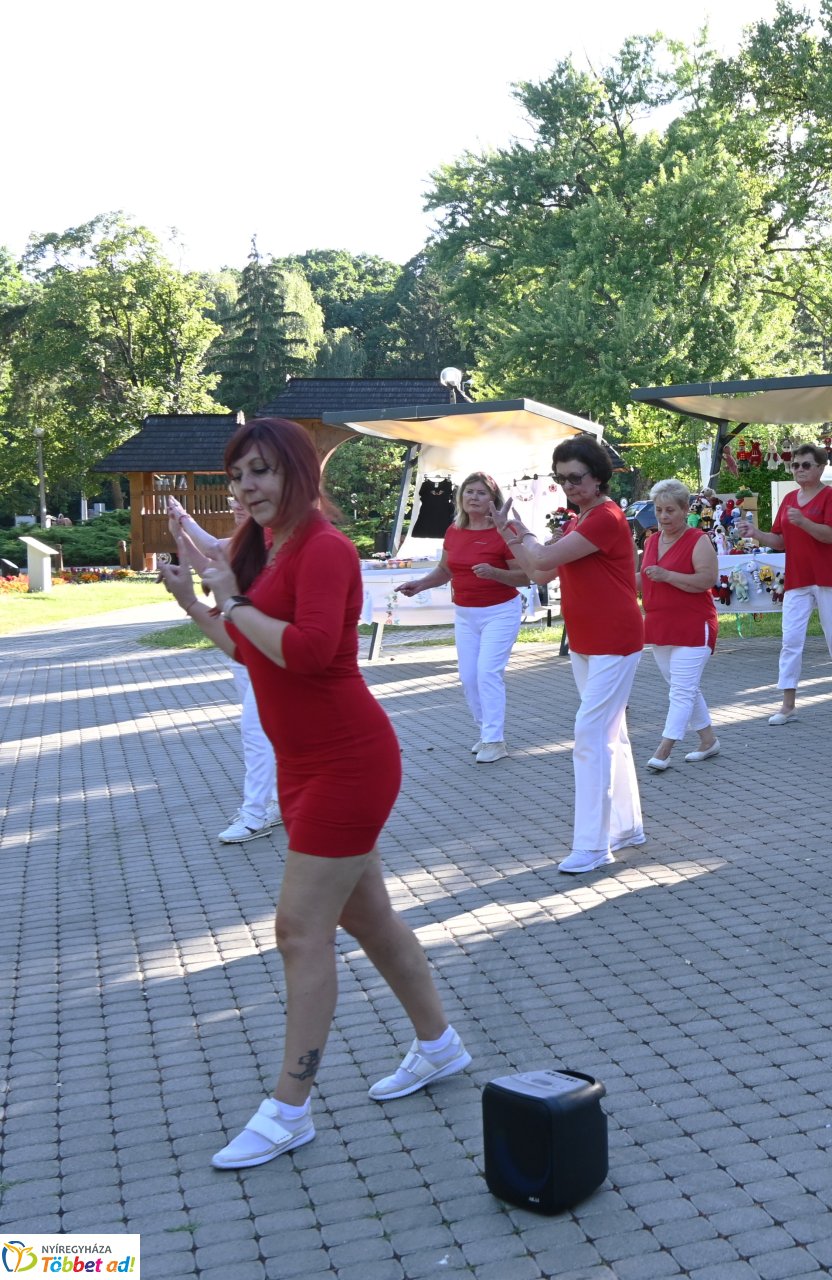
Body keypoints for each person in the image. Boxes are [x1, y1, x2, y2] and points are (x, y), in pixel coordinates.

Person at [156, 418, 468, 1169]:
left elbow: (307, 650)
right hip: (300, 764)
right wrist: (196, 604)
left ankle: (288, 1108)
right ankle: (441, 1047)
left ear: (296, 472)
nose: (246, 489)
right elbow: (250, 648)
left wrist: (229, 598)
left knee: (299, 931)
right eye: (237, 478)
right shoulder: (263, 551)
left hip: (349, 762)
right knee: (372, 919)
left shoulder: (324, 548)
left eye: (259, 472)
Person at [497, 436, 648, 871]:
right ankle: (626, 827)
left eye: (576, 478)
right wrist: (506, 531)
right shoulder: (580, 521)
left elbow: (540, 554)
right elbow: (537, 570)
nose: (569, 486)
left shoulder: (604, 517)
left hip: (614, 640)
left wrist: (519, 527)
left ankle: (592, 845)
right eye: (561, 479)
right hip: (586, 640)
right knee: (610, 735)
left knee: (589, 736)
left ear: (597, 476)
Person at [167, 494, 282, 843]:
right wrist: (180, 536)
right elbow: (211, 571)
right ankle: (275, 802)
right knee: (262, 734)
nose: (238, 501)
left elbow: (213, 545)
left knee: (256, 735)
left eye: (248, 495)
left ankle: (255, 813)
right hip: (242, 650)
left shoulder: (271, 538)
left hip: (265, 653)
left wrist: (184, 520)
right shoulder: (248, 541)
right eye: (235, 494)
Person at [396, 473, 530, 763]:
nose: (474, 497)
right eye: (469, 492)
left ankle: (495, 740)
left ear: (492, 499)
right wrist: (419, 584)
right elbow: (446, 569)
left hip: (500, 611)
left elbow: (527, 575)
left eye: (481, 493)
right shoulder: (454, 530)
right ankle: (485, 734)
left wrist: (496, 574)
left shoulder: (503, 532)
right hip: (465, 613)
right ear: (460, 497)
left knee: (487, 673)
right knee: (469, 678)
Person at [745, 443, 832, 723]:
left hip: (826, 577)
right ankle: (788, 704)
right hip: (797, 579)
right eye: (795, 465)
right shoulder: (788, 500)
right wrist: (756, 533)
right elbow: (781, 541)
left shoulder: (831, 497)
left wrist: (804, 521)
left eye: (806, 465)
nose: (799, 470)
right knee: (791, 640)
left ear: (820, 467)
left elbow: (831, 536)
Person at [639, 479, 721, 771]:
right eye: (659, 510)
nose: (663, 516)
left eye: (670, 510)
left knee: (681, 691)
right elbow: (644, 580)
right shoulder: (650, 541)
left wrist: (668, 575)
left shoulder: (698, 539)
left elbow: (706, 580)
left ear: (686, 510)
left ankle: (665, 748)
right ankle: (708, 740)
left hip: (693, 624)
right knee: (681, 687)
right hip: (660, 625)